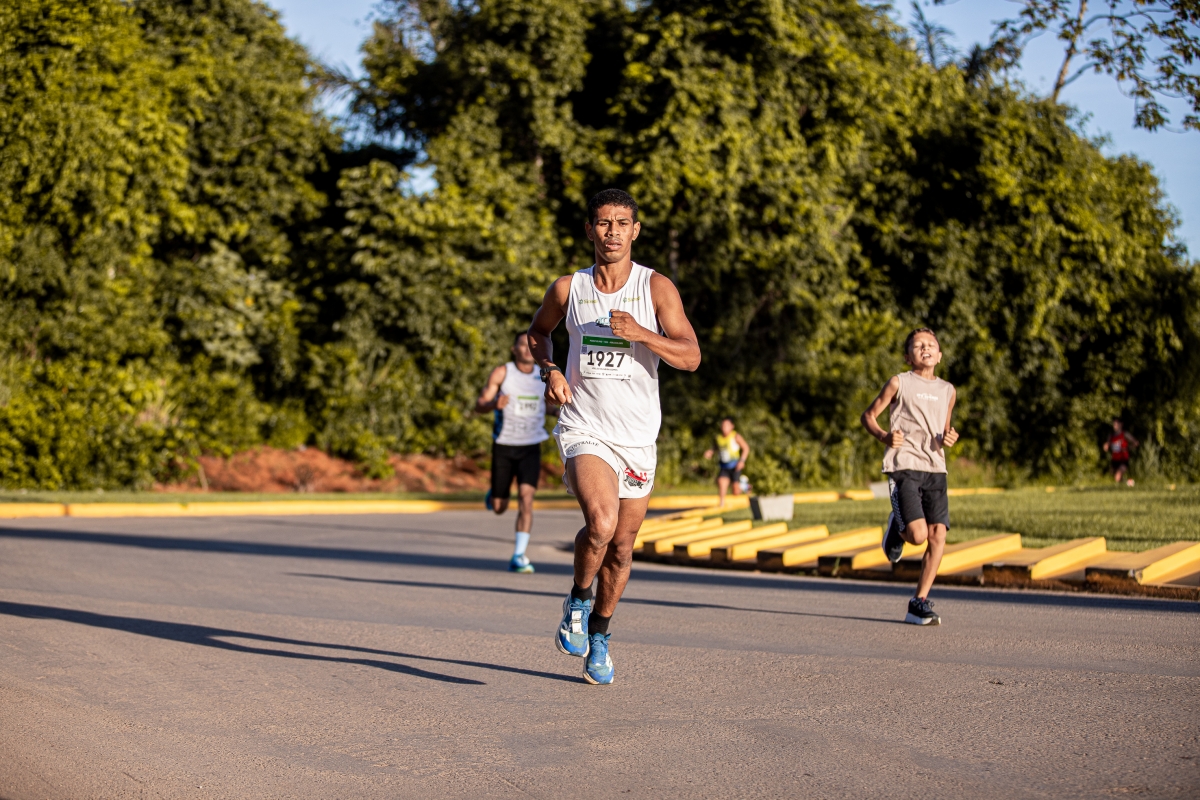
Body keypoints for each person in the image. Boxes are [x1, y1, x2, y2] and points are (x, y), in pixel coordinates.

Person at [527, 188, 701, 684]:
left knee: (622, 548)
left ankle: (600, 633)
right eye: (603, 223)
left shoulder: (655, 288)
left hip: (637, 436)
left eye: (622, 224)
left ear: (635, 231)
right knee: (600, 523)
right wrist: (550, 370)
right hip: (585, 426)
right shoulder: (569, 288)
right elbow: (538, 333)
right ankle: (578, 600)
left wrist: (642, 333)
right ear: (590, 230)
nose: (612, 233)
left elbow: (691, 357)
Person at [861, 328, 959, 626]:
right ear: (908, 356)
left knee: (938, 535)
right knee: (917, 536)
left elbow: (943, 429)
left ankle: (919, 602)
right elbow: (868, 416)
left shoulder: (948, 390)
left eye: (931, 345)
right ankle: (897, 525)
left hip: (935, 468)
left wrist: (949, 437)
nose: (925, 348)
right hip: (904, 464)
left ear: (939, 355)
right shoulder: (899, 382)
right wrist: (884, 436)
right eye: (918, 346)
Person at [475, 332, 557, 573]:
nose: (527, 349)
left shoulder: (543, 376)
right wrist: (494, 404)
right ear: (514, 349)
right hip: (504, 445)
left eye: (531, 345)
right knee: (499, 507)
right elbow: (480, 405)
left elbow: (546, 407)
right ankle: (495, 495)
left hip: (531, 446)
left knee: (526, 498)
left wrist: (559, 411)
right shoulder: (503, 373)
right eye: (523, 344)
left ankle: (519, 555)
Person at [703, 417, 750, 507]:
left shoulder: (735, 436)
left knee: (735, 492)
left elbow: (746, 448)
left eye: (726, 425)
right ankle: (721, 504)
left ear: (732, 426)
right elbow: (716, 447)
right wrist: (710, 452)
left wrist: (742, 461)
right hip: (724, 466)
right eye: (723, 425)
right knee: (721, 482)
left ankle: (745, 486)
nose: (724, 427)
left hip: (735, 466)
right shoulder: (719, 438)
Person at [1103, 418, 1139, 486]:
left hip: (1123, 459)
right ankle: (1128, 483)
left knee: (1117, 476)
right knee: (1116, 477)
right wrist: (1106, 446)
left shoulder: (1125, 434)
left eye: (1116, 424)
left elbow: (1136, 443)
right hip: (1114, 460)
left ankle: (1120, 486)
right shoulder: (1111, 435)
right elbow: (1107, 444)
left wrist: (1127, 448)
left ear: (1121, 425)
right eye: (1114, 424)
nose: (1114, 426)